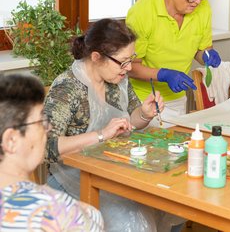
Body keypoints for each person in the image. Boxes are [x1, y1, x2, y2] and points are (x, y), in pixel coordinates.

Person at [44, 18, 185, 231]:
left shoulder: (116, 79)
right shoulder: (68, 88)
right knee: (135, 220)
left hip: (111, 167)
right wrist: (101, 134)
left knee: (173, 201)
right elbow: (45, 147)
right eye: (123, 61)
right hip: (71, 177)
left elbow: (132, 120)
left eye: (131, 59)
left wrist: (145, 114)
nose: (128, 68)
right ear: (96, 57)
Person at [126, 0, 221, 124]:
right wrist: (163, 74)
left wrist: (206, 56)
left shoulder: (203, 8)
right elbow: (130, 67)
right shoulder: (142, 12)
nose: (198, 1)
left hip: (178, 99)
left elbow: (201, 50)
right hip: (142, 101)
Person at [0, 73, 104, 231]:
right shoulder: (54, 210)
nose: (47, 129)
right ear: (11, 140)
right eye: (41, 121)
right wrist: (89, 212)